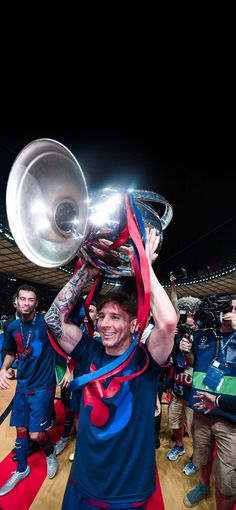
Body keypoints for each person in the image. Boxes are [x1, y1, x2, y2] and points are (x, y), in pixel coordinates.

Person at [45, 228, 177, 509]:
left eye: (115, 317)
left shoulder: (146, 360)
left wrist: (143, 267)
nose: (104, 323)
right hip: (83, 479)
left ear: (133, 324)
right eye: (102, 315)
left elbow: (167, 323)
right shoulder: (89, 350)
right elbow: (54, 318)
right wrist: (88, 270)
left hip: (125, 490)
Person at [0, 284, 58, 496]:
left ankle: (50, 451)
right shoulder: (11, 326)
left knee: (35, 434)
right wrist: (4, 369)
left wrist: (68, 368)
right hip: (22, 385)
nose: (26, 303)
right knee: (21, 430)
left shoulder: (46, 323)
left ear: (36, 303)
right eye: (22, 299)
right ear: (16, 301)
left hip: (43, 386)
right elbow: (9, 352)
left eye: (30, 300)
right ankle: (21, 469)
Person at [183, 294, 236, 509]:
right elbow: (193, 363)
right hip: (201, 410)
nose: (232, 311)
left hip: (230, 419)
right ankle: (203, 485)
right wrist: (187, 353)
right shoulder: (203, 335)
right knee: (202, 457)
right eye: (230, 307)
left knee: (226, 479)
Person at [166, 273, 200, 476]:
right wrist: (173, 286)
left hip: (195, 392)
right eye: (186, 315)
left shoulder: (205, 336)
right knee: (174, 422)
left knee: (197, 430)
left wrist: (189, 352)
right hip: (178, 387)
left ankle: (196, 458)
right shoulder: (178, 330)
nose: (189, 319)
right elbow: (172, 309)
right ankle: (179, 445)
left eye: (192, 315)